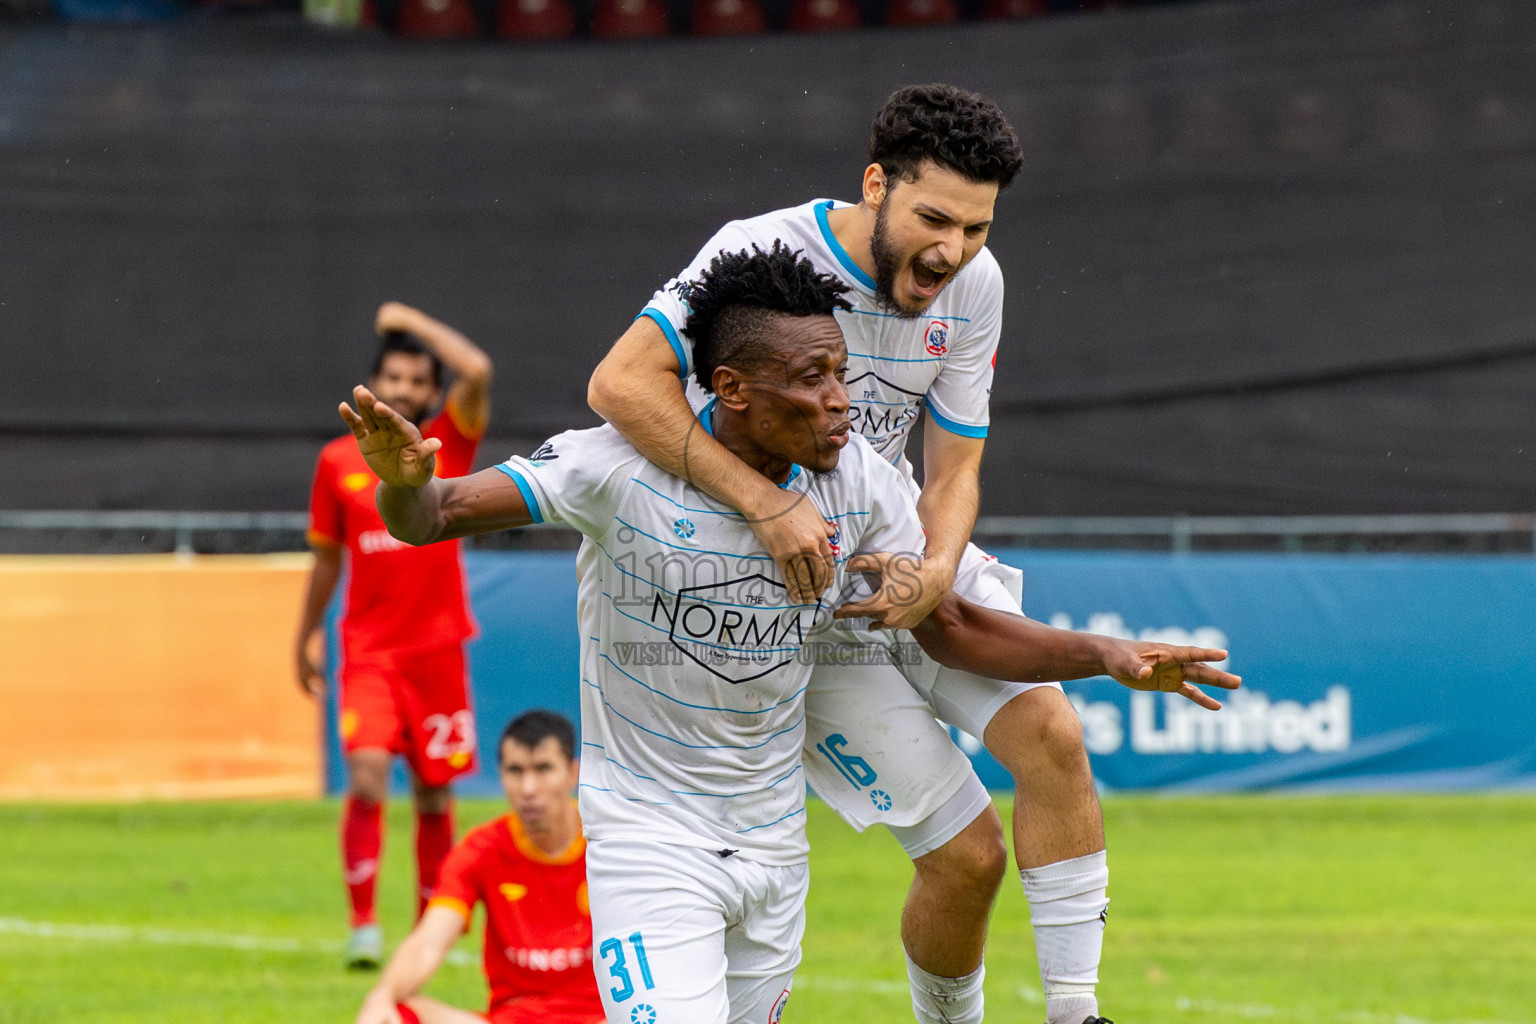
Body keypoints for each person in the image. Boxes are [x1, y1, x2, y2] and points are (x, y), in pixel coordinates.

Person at [338, 244, 1238, 1023]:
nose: (842, 402)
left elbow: (951, 623)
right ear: (731, 388)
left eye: (842, 373)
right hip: (653, 844)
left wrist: (1107, 656)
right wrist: (400, 483)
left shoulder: (857, 484)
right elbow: (435, 513)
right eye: (813, 380)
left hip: (773, 849)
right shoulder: (611, 468)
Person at [586, 83, 1123, 1024]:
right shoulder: (762, 253)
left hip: (900, 555)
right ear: (876, 185)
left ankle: (1076, 1015)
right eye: (934, 218)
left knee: (1054, 737)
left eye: (978, 229)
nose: (952, 251)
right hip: (791, 603)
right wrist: (764, 504)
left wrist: (938, 570)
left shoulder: (976, 288)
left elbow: (954, 469)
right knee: (967, 859)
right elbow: (621, 383)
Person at [296, 300, 494, 968]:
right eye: (394, 378)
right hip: (369, 651)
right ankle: (362, 926)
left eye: (418, 381)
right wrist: (305, 636)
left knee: (437, 792)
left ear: (433, 393)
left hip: (438, 649)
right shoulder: (335, 462)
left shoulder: (447, 445)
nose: (405, 390)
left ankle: (424, 931)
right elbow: (327, 557)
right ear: (373, 386)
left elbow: (478, 368)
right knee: (369, 777)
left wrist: (409, 317)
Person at [355, 709, 606, 1024]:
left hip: (603, 1019)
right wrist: (382, 996)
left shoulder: (609, 846)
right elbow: (430, 941)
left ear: (573, 773)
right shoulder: (483, 849)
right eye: (516, 771)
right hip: (510, 1020)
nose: (528, 788)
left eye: (543, 769)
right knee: (398, 1015)